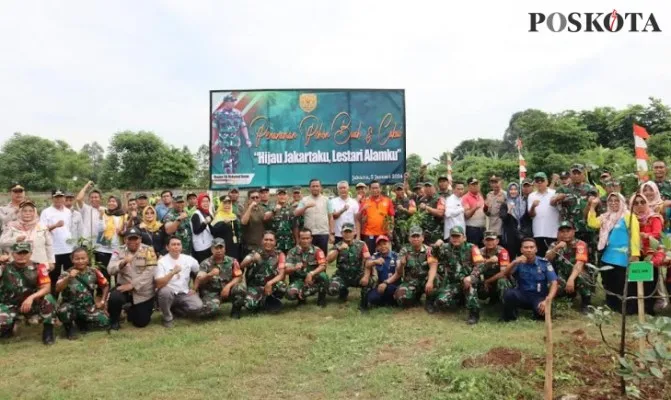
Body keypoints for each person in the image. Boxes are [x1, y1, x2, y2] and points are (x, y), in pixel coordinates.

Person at [587, 193, 640, 314]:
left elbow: (635, 235)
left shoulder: (628, 216)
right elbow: (592, 223)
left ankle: (627, 308)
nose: (613, 203)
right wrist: (592, 206)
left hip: (623, 256)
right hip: (608, 256)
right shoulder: (606, 216)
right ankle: (612, 305)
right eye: (610, 201)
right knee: (609, 283)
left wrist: (635, 253)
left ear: (622, 201)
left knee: (622, 283)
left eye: (616, 200)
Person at [0, 242, 57, 345]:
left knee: (49, 298)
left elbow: (46, 288)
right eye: (18, 253)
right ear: (12, 254)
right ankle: (8, 327)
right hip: (9, 304)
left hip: (31, 305)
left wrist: (31, 298)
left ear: (30, 253)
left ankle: (48, 332)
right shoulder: (4, 267)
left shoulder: (39, 267)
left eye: (24, 253)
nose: (21, 256)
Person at [428, 226, 484, 324]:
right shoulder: (445, 248)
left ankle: (474, 313)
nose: (455, 239)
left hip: (469, 281)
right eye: (453, 236)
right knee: (442, 302)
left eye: (458, 236)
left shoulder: (472, 247)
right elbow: (434, 256)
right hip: (453, 283)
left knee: (470, 287)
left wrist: (472, 276)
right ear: (450, 238)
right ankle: (459, 300)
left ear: (464, 238)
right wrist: (436, 246)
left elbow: (480, 264)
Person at [494, 238, 558, 322]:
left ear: (536, 249)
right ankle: (510, 316)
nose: (529, 250)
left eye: (531, 247)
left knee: (542, 315)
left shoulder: (544, 263)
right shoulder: (518, 262)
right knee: (509, 293)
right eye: (526, 247)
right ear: (521, 250)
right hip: (522, 295)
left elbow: (554, 283)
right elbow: (505, 274)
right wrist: (514, 262)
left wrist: (547, 300)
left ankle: (537, 313)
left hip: (539, 297)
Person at [107, 227, 158, 330]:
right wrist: (122, 262)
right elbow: (110, 270)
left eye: (136, 238)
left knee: (141, 323)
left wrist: (132, 285)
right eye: (129, 239)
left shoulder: (149, 250)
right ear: (125, 239)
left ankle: (130, 309)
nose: (132, 241)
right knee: (114, 297)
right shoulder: (118, 251)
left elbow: (150, 272)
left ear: (140, 239)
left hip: (143, 291)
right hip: (123, 288)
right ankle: (114, 321)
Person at [55, 247, 109, 339]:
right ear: (72, 260)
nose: (80, 261)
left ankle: (82, 322)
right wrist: (68, 278)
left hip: (87, 307)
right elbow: (57, 289)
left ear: (88, 259)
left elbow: (105, 285)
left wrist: (103, 301)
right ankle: (69, 329)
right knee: (64, 310)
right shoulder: (66, 273)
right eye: (77, 259)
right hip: (71, 307)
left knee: (105, 321)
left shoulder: (94, 271)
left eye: (83, 258)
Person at [544, 221, 592, 314]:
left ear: (573, 231)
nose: (565, 234)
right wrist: (556, 248)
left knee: (583, 277)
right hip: (561, 275)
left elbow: (580, 263)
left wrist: (571, 279)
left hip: (576, 274)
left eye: (568, 231)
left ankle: (586, 304)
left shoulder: (581, 244)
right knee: (550, 286)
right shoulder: (555, 244)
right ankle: (568, 295)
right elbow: (546, 259)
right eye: (562, 231)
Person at [155, 236, 203, 328]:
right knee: (165, 292)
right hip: (169, 293)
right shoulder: (161, 262)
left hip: (184, 293)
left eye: (178, 244)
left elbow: (199, 272)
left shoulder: (189, 259)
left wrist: (194, 288)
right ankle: (167, 318)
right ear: (167, 247)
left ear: (181, 247)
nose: (176, 247)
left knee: (198, 307)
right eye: (173, 244)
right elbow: (158, 283)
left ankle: (175, 310)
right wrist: (172, 272)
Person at [630, 193, 664, 315]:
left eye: (642, 202)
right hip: (635, 253)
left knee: (650, 281)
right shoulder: (630, 218)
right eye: (636, 203)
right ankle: (636, 307)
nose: (640, 205)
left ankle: (649, 308)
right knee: (635, 281)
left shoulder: (654, 217)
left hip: (650, 253)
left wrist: (645, 235)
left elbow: (657, 233)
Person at [194, 238, 245, 319]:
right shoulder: (205, 263)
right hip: (211, 293)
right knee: (210, 311)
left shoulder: (232, 261)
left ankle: (235, 311)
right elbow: (200, 280)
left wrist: (228, 286)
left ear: (225, 249)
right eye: (216, 248)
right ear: (212, 250)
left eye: (221, 248)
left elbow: (238, 277)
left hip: (227, 291)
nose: (219, 250)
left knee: (240, 288)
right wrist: (209, 275)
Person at [326, 223, 373, 311]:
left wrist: (366, 276)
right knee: (331, 290)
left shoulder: (362, 244)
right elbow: (328, 260)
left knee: (369, 282)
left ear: (354, 232)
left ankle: (364, 304)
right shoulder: (338, 245)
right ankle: (343, 291)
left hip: (357, 275)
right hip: (342, 276)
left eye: (349, 232)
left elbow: (368, 260)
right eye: (345, 232)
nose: (347, 234)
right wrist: (338, 249)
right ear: (341, 233)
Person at [0, 200, 54, 272]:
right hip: (17, 266)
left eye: (30, 211)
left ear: (34, 212)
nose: (27, 213)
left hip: (40, 264)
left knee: (42, 283)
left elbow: (49, 245)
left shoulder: (42, 227)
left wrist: (51, 261)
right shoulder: (11, 226)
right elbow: (2, 242)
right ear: (20, 213)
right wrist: (15, 240)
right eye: (24, 211)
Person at [240, 231, 287, 313]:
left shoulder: (280, 254)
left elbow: (281, 274)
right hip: (256, 286)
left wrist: (269, 283)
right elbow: (242, 265)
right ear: (262, 241)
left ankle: (270, 299)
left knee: (282, 287)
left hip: (272, 285)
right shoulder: (255, 253)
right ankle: (264, 302)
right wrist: (252, 259)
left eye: (271, 240)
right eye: (266, 239)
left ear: (275, 242)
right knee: (249, 305)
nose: (268, 242)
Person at [394, 226, 440, 309]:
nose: (415, 239)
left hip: (424, 281)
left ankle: (429, 301)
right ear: (409, 239)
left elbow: (433, 267)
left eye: (418, 236)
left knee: (435, 278)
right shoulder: (404, 250)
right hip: (411, 281)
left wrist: (430, 281)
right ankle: (415, 297)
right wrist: (401, 264)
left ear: (422, 238)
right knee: (401, 299)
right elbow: (399, 271)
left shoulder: (429, 250)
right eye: (413, 236)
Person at [553, 164, 597, 250]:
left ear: (583, 174)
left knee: (588, 253)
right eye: (574, 173)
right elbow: (553, 203)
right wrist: (557, 198)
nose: (576, 175)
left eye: (579, 173)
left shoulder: (591, 189)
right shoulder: (562, 189)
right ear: (570, 174)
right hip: (568, 229)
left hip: (587, 228)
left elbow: (596, 206)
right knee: (569, 253)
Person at [284, 228, 329, 307]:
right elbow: (286, 270)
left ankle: (321, 299)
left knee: (324, 276)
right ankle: (301, 299)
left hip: (313, 279)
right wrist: (294, 268)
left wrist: (312, 273)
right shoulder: (292, 252)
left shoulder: (317, 251)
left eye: (307, 238)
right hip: (298, 280)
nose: (305, 241)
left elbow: (323, 265)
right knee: (289, 294)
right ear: (299, 239)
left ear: (311, 239)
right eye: (303, 238)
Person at [39, 189, 73, 291]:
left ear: (64, 198)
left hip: (68, 249)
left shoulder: (68, 211)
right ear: (52, 198)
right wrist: (55, 226)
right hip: (54, 250)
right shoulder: (46, 212)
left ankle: (67, 299)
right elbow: (41, 230)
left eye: (60, 197)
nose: (58, 199)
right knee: (54, 277)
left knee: (69, 276)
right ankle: (53, 301)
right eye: (56, 197)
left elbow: (69, 228)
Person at [212, 94, 252, 174]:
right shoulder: (218, 114)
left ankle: (233, 177)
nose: (234, 103)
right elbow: (214, 128)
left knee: (235, 161)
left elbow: (243, 127)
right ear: (226, 102)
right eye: (232, 101)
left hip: (235, 141)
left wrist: (247, 139)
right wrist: (213, 143)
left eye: (234, 101)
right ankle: (228, 177)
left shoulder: (238, 113)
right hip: (224, 141)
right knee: (226, 160)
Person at [294, 179, 334, 255]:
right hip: (308, 235)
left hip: (323, 233)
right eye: (313, 186)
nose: (315, 188)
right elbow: (296, 213)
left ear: (320, 187)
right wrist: (305, 207)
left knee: (322, 257)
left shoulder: (326, 200)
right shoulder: (304, 200)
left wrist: (331, 233)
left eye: (317, 186)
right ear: (310, 188)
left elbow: (331, 217)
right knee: (308, 257)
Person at [96, 195, 127, 280]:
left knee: (118, 273)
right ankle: (105, 292)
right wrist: (100, 217)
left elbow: (125, 230)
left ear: (118, 203)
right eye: (109, 201)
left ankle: (116, 292)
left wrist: (122, 232)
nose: (111, 203)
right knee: (104, 274)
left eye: (113, 201)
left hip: (117, 248)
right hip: (104, 248)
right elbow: (100, 229)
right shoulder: (104, 214)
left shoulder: (123, 216)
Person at [529, 172, 560, 256]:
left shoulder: (554, 193)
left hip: (553, 233)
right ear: (534, 183)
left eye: (542, 180)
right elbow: (531, 215)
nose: (539, 182)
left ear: (547, 182)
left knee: (553, 258)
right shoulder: (531, 196)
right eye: (537, 180)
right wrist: (533, 207)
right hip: (538, 233)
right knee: (540, 258)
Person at [360, 180, 396, 253]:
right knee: (370, 256)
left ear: (380, 188)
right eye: (373, 188)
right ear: (369, 189)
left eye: (377, 188)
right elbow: (360, 219)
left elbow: (391, 216)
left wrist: (391, 230)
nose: (375, 190)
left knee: (384, 255)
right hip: (369, 234)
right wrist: (363, 212)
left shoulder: (387, 201)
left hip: (383, 233)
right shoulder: (364, 201)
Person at [479, 231, 512, 305]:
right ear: (483, 241)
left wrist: (487, 281)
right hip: (485, 278)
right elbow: (476, 268)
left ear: (497, 241)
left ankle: (506, 306)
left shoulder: (502, 252)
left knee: (502, 281)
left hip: (497, 279)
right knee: (474, 281)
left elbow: (503, 273)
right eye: (487, 240)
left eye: (492, 240)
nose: (490, 242)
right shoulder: (479, 252)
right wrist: (488, 261)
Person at [365, 235, 399, 308]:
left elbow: (398, 273)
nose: (382, 246)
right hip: (379, 285)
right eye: (379, 245)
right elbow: (367, 264)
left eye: (384, 244)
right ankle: (386, 301)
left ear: (389, 244)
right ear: (377, 247)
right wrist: (375, 262)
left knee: (391, 291)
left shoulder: (396, 256)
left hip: (392, 285)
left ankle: (389, 301)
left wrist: (386, 283)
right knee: (372, 298)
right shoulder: (375, 256)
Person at [265, 188, 295, 253]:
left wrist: (297, 242)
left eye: (284, 195)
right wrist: (274, 210)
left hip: (289, 243)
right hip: (275, 243)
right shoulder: (270, 207)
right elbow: (265, 218)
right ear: (276, 196)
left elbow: (295, 226)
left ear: (287, 196)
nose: (282, 196)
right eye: (280, 195)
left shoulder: (291, 209)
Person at [211, 196, 242, 261]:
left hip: (234, 246)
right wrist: (224, 224)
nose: (227, 205)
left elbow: (236, 232)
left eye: (229, 203)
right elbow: (214, 232)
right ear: (221, 205)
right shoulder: (218, 216)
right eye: (225, 203)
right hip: (223, 248)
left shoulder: (233, 216)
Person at [75, 180, 103, 247]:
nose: (93, 199)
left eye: (96, 197)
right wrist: (87, 186)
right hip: (86, 242)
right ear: (89, 199)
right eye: (91, 197)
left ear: (100, 198)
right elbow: (78, 199)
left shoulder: (104, 210)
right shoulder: (86, 208)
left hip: (100, 245)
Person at [502, 182, 524, 258]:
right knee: (510, 257)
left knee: (522, 257)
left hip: (521, 234)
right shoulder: (504, 203)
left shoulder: (523, 202)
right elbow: (504, 219)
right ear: (508, 191)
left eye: (515, 189)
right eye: (511, 189)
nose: (513, 191)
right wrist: (509, 210)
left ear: (518, 191)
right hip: (509, 235)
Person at [391, 183, 416, 251]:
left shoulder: (410, 201)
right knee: (397, 247)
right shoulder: (392, 202)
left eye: (401, 190)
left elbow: (413, 212)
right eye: (398, 190)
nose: (400, 192)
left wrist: (403, 209)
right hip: (396, 229)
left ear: (404, 190)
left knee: (408, 247)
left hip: (407, 228)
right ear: (395, 191)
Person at [241, 190, 266, 257]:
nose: (255, 199)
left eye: (257, 197)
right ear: (249, 199)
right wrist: (250, 207)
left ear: (259, 199)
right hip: (250, 247)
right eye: (253, 198)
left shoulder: (262, 209)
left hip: (262, 245)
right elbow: (244, 222)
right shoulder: (245, 209)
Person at [190, 193, 214, 263]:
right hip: (201, 247)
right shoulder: (196, 214)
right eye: (203, 201)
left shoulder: (208, 213)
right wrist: (205, 223)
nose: (206, 203)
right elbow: (196, 231)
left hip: (209, 244)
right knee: (203, 267)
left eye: (207, 201)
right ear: (199, 202)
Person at [462, 178, 486, 246]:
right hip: (472, 230)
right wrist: (475, 208)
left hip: (482, 229)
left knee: (482, 251)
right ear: (468, 186)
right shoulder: (465, 198)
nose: (476, 186)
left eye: (477, 184)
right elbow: (466, 215)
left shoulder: (480, 196)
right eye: (473, 184)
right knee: (472, 251)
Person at [484, 175, 506, 239]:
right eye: (492, 183)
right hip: (491, 227)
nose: (494, 184)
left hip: (502, 227)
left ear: (501, 183)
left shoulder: (505, 194)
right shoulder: (489, 195)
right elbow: (487, 213)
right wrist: (485, 207)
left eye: (496, 182)